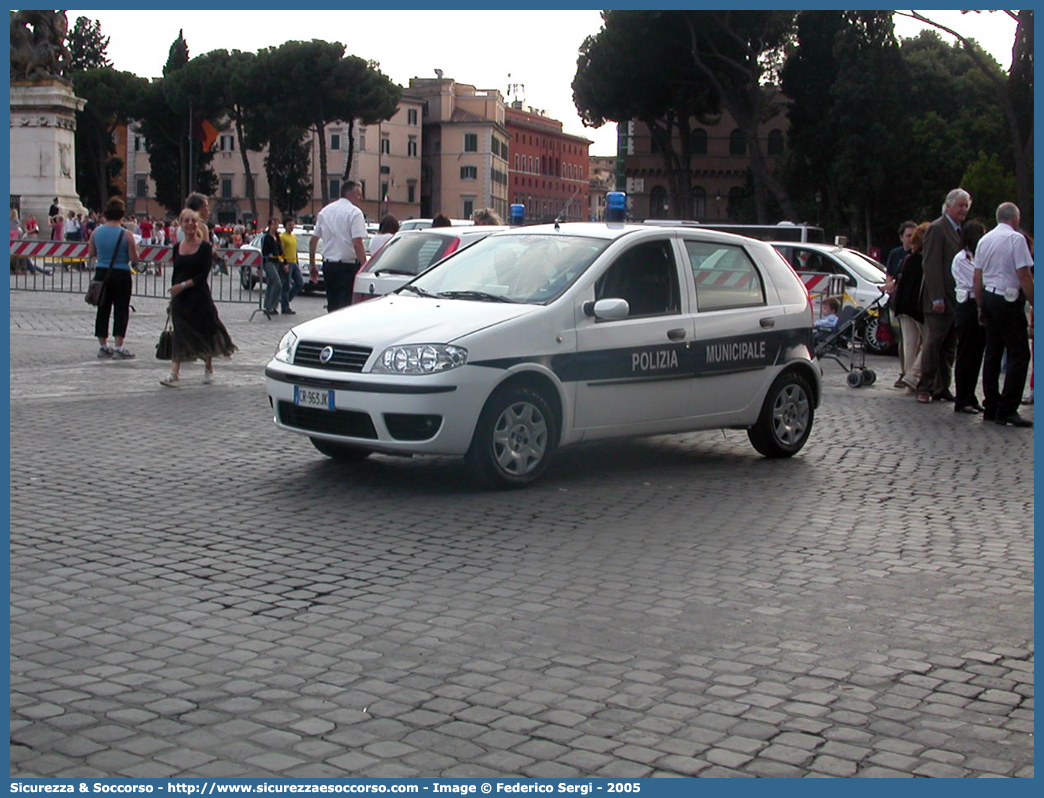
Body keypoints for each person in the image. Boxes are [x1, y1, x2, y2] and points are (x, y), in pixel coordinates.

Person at [973, 202, 1034, 427]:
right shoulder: (1016, 239)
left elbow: (977, 277)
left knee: (993, 352)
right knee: (1019, 353)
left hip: (989, 296)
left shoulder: (984, 240)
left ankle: (991, 404)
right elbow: (1024, 275)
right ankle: (1008, 408)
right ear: (1015, 219)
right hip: (1007, 298)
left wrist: (980, 305)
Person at [161, 208, 237, 387]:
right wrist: (173, 296)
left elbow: (203, 275)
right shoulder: (176, 247)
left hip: (199, 296)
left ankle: (208, 367)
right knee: (180, 333)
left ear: (198, 224)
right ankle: (174, 373)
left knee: (206, 332)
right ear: (180, 224)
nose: (190, 224)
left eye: (193, 221)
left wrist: (183, 285)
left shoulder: (204, 247)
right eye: (186, 221)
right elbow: (176, 273)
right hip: (181, 299)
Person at [916, 188, 970, 404]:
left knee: (949, 346)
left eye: (966, 206)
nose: (963, 210)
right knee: (933, 343)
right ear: (949, 206)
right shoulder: (937, 229)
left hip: (955, 297)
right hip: (938, 298)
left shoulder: (959, 230)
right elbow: (931, 264)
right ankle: (925, 386)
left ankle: (942, 386)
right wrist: (937, 297)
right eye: (960, 205)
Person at [88, 197, 140, 360]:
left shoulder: (96, 232)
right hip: (121, 274)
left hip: (102, 272)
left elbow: (91, 253)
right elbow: (134, 258)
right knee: (121, 309)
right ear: (122, 215)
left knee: (103, 308)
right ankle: (119, 346)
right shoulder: (127, 235)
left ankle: (103, 346)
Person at [310, 180, 368, 312]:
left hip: (329, 265)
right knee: (345, 305)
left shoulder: (325, 211)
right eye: (359, 195)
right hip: (348, 266)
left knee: (332, 303)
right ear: (349, 194)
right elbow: (357, 243)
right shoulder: (355, 212)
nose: (361, 198)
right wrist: (365, 266)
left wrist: (312, 264)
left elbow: (313, 241)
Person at [950, 220, 987, 414]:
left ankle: (971, 395)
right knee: (966, 354)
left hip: (977, 304)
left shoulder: (978, 258)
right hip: (967, 305)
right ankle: (962, 398)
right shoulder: (961, 259)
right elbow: (977, 280)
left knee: (976, 354)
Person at [892, 222, 930, 394]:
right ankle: (913, 376)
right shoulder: (927, 259)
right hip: (917, 305)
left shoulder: (908, 258)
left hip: (903, 305)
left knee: (910, 344)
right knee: (929, 341)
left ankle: (909, 381)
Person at [885, 221, 917, 387]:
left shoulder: (918, 254)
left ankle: (911, 373)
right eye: (908, 236)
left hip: (911, 302)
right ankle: (904, 371)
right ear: (901, 237)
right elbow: (889, 274)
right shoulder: (896, 254)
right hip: (896, 301)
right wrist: (890, 287)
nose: (911, 239)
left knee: (913, 339)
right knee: (901, 339)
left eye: (914, 235)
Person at [259, 217, 284, 318]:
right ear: (269, 225)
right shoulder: (266, 237)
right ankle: (270, 305)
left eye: (277, 224)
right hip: (268, 261)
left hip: (277, 261)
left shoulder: (278, 236)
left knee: (271, 283)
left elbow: (280, 250)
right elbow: (264, 251)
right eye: (274, 224)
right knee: (276, 282)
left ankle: (271, 306)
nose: (276, 226)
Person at [279, 217, 304, 316]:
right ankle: (285, 307)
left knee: (299, 283)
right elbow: (281, 251)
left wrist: (297, 261)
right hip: (287, 262)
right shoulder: (282, 237)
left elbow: (295, 250)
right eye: (289, 225)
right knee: (286, 285)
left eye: (293, 224)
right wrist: (284, 263)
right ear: (285, 226)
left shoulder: (294, 237)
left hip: (294, 262)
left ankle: (286, 299)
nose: (292, 227)